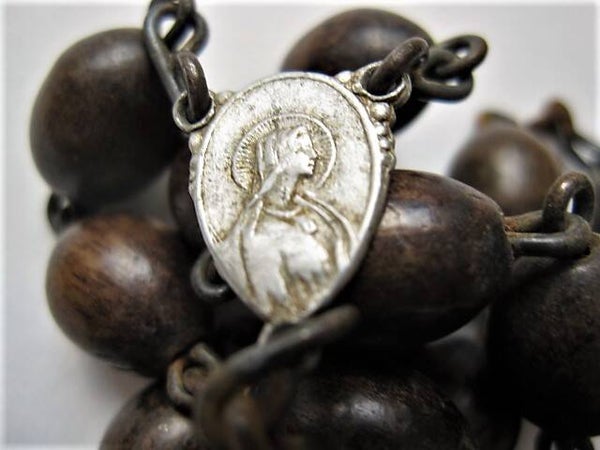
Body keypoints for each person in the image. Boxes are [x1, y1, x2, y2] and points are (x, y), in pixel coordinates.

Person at [217, 120, 356, 320]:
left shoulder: (318, 211)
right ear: (283, 157)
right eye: (304, 150)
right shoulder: (255, 232)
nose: (314, 155)